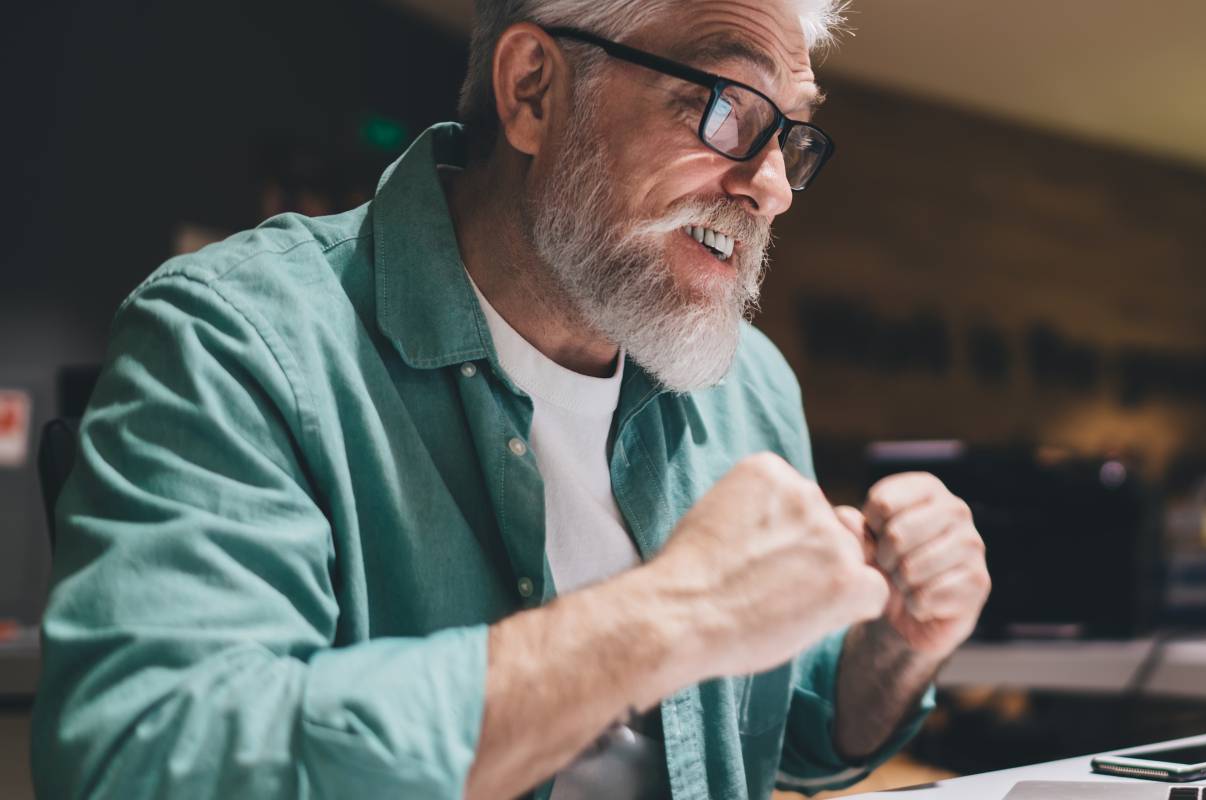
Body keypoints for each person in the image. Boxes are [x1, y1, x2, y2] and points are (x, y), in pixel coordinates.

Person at [30, 1, 992, 798]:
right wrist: (669, 617)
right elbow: (143, 761)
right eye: (729, 108)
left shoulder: (750, 385)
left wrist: (894, 649)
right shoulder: (236, 338)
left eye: (789, 134)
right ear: (533, 90)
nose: (772, 185)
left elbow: (782, 740)